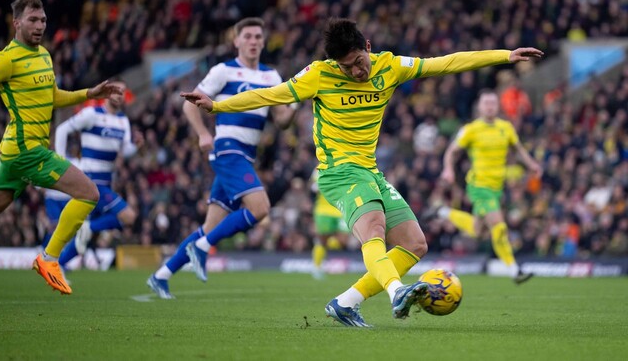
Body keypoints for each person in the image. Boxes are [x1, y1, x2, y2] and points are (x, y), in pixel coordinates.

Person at [181, 18, 543, 326]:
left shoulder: (390, 66)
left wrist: (504, 56)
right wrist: (218, 106)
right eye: (347, 67)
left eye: (358, 61)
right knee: (374, 229)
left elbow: (445, 63)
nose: (356, 71)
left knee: (415, 244)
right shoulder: (319, 75)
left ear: (368, 47)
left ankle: (346, 303)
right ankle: (397, 291)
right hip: (339, 171)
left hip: (371, 171)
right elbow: (272, 95)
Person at [147, 17, 296, 299]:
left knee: (210, 227)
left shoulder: (271, 77)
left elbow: (283, 120)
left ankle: (161, 275)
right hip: (228, 148)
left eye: (257, 37)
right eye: (248, 36)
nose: (253, 41)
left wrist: (297, 105)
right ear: (236, 41)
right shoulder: (223, 71)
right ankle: (202, 248)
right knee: (260, 207)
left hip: (247, 156)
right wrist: (203, 134)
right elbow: (190, 105)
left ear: (264, 42)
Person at [0, 0, 122, 295]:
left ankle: (48, 258)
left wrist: (90, 92)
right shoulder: (5, 60)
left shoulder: (45, 55)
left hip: (14, 155)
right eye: (33, 20)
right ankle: (48, 259)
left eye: (43, 20)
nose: (40, 26)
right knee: (89, 193)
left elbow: (53, 97)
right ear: (17, 23)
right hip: (27, 153)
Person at [427, 89, 542, 284]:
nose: (489, 106)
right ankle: (514, 270)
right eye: (486, 103)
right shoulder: (471, 129)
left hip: (497, 187)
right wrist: (448, 169)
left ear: (497, 106)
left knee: (478, 230)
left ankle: (443, 212)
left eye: (492, 103)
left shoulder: (506, 128)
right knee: (499, 225)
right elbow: (451, 151)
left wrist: (532, 165)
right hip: (478, 185)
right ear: (479, 107)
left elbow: (519, 149)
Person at [49, 80, 143, 269]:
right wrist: (61, 161)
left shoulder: (123, 121)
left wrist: (136, 146)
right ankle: (89, 228)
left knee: (86, 236)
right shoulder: (92, 114)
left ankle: (57, 265)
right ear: (108, 92)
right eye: (115, 90)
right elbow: (62, 130)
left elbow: (124, 151)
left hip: (107, 182)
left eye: (122, 92)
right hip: (90, 181)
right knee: (128, 216)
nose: (118, 95)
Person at [310, 169, 347, 280]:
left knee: (343, 240)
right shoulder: (319, 167)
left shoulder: (343, 164)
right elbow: (314, 187)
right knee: (323, 240)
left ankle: (321, 248)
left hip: (340, 209)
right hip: (324, 210)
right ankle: (317, 267)